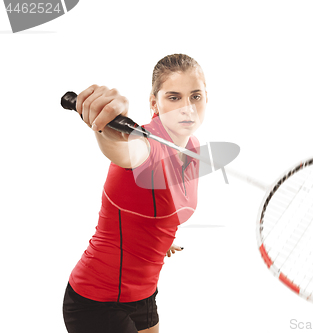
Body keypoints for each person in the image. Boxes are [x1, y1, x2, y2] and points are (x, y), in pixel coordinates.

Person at [63, 54, 207, 333]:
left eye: (196, 96)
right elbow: (122, 150)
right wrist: (103, 124)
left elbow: (162, 205)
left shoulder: (194, 148)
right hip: (96, 300)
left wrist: (159, 237)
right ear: (154, 103)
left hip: (143, 294)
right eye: (174, 97)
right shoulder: (143, 145)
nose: (187, 108)